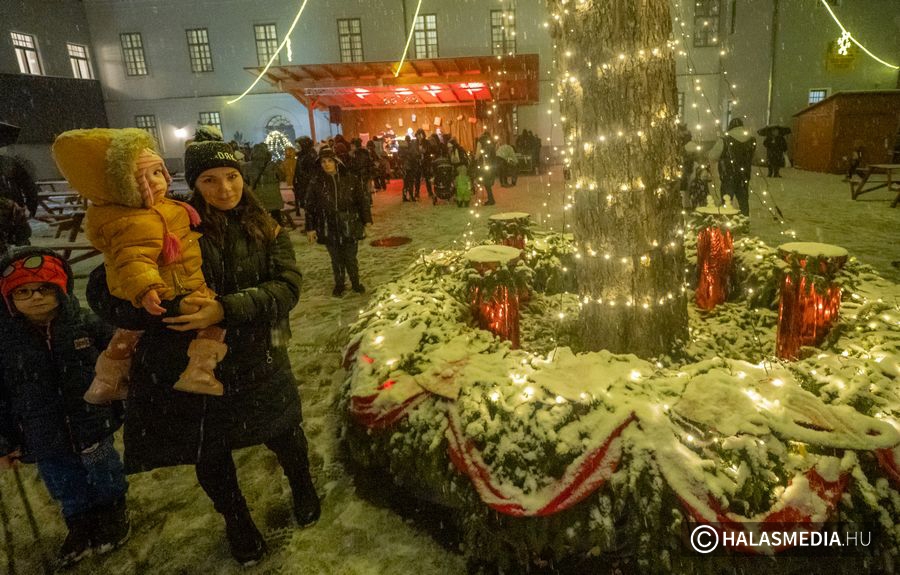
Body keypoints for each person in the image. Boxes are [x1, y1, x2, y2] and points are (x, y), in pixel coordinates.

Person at [86, 138, 320, 567]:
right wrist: (160, 305)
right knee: (210, 452)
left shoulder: (265, 225)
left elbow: (287, 288)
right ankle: (236, 519)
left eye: (232, 177)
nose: (225, 189)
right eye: (210, 180)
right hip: (191, 363)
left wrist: (224, 308)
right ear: (193, 184)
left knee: (285, 433)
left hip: (257, 356)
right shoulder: (168, 222)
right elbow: (107, 291)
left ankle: (302, 486)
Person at [52, 128, 227, 404]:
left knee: (128, 336)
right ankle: (196, 371)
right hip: (165, 310)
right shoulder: (139, 219)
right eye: (209, 179)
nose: (224, 189)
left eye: (159, 173)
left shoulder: (169, 210)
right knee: (137, 332)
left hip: (180, 292)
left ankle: (108, 379)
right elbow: (131, 261)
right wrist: (152, 292)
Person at [0, 248, 129, 568]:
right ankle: (79, 522)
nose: (35, 297)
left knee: (105, 472)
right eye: (23, 292)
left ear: (61, 288)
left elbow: (121, 361)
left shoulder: (85, 323)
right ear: (9, 299)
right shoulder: (6, 341)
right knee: (63, 482)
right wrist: (5, 441)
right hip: (41, 433)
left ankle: (113, 510)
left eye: (45, 288)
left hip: (91, 422)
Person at [305, 147, 372, 296]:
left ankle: (355, 282)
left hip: (349, 223)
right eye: (323, 161)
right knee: (336, 258)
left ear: (336, 162)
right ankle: (340, 284)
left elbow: (362, 201)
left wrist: (366, 219)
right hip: (328, 226)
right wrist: (310, 228)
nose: (326, 164)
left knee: (350, 257)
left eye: (329, 161)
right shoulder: (316, 183)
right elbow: (310, 207)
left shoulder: (350, 179)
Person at [708, 118, 756, 217]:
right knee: (743, 201)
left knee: (727, 199)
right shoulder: (751, 140)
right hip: (744, 175)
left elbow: (712, 156)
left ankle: (726, 222)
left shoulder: (725, 140)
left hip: (728, 174)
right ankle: (744, 221)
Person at [244, 142, 285, 224]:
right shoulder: (273, 165)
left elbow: (245, 181)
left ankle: (264, 231)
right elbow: (282, 177)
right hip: (273, 197)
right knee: (276, 216)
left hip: (257, 197)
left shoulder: (247, 167)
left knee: (259, 218)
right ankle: (278, 230)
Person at [0, 150, 39, 218]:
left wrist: (30, 208)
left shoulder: (9, 163)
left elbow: (28, 185)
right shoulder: (9, 162)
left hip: (16, 215)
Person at [292, 136, 319, 215]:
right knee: (307, 207)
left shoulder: (309, 157)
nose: (296, 148)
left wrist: (304, 182)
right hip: (303, 185)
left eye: (298, 146)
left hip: (307, 186)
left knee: (310, 208)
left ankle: (313, 224)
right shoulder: (302, 156)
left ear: (304, 146)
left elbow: (311, 174)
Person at [476, 132, 498, 205]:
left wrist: (476, 160)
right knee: (488, 183)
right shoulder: (491, 143)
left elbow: (477, 155)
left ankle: (491, 199)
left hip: (484, 165)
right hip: (491, 166)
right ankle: (491, 199)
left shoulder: (480, 141)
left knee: (486, 183)